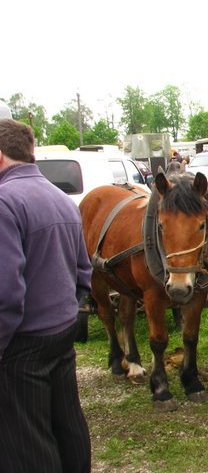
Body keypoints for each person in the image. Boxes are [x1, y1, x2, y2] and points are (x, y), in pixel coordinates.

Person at [0, 118, 92, 472]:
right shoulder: (62, 199)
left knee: (27, 440)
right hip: (61, 331)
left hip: (23, 342)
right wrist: (68, 313)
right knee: (67, 424)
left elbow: (7, 293)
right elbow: (84, 271)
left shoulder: (6, 202)